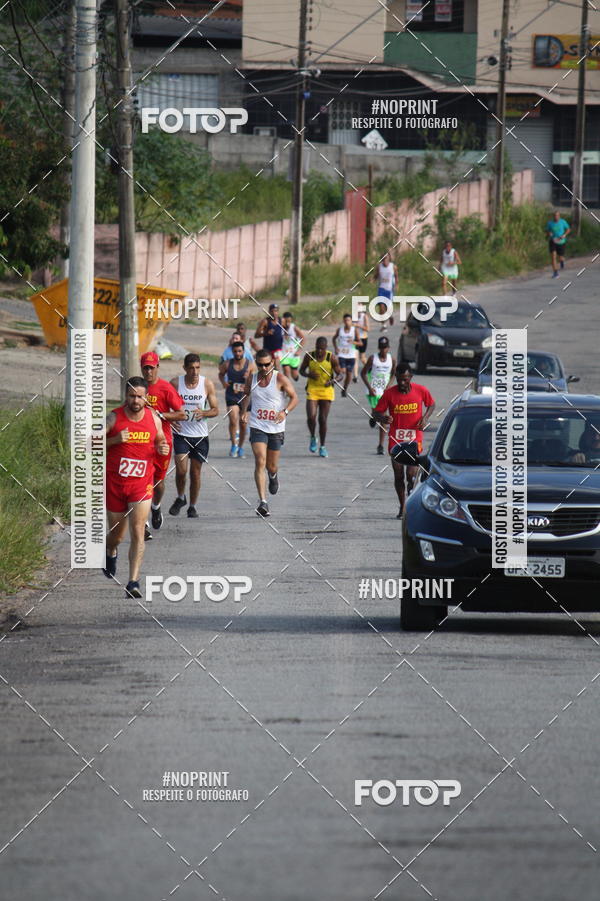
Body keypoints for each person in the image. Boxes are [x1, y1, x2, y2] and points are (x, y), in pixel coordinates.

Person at [103, 377, 169, 598]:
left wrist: (161, 447)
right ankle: (110, 551)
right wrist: (114, 440)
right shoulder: (113, 418)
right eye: (132, 396)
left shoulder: (153, 419)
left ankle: (133, 581)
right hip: (115, 485)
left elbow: (160, 440)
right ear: (126, 396)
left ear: (146, 397)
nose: (136, 400)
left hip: (141, 484)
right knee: (117, 536)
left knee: (138, 530)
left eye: (140, 396)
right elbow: (88, 443)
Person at [239, 349, 298, 517]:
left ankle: (273, 475)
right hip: (258, 425)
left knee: (271, 465)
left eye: (267, 364)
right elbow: (246, 395)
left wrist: (284, 412)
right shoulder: (252, 378)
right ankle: (263, 502)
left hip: (276, 428)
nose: (264, 368)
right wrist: (245, 411)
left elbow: (295, 398)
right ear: (256, 364)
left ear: (272, 362)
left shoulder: (280, 378)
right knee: (260, 460)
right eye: (260, 365)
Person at [373, 362, 435, 518]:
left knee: (411, 475)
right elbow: (375, 413)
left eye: (405, 379)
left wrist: (425, 418)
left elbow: (431, 404)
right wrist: (383, 417)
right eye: (399, 379)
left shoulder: (421, 391)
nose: (401, 383)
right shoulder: (389, 393)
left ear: (410, 378)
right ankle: (403, 507)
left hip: (414, 438)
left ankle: (412, 499)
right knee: (398, 474)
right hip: (396, 439)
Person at [140, 351, 186, 537]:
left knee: (158, 482)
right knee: (142, 481)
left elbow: (181, 414)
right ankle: (143, 524)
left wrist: (160, 415)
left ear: (158, 367)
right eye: (146, 368)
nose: (149, 371)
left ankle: (156, 507)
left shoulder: (165, 388)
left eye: (152, 367)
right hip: (141, 441)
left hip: (163, 442)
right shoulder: (136, 388)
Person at [168, 354, 219, 519]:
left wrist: (204, 413)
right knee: (181, 471)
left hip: (200, 436)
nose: (195, 371)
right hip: (181, 434)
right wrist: (169, 420)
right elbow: (164, 405)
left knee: (195, 473)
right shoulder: (176, 383)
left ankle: (192, 506)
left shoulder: (207, 384)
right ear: (185, 368)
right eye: (191, 368)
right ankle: (181, 497)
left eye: (197, 367)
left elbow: (215, 410)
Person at [299, 337, 341, 457]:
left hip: (326, 390)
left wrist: (333, 381)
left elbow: (340, 374)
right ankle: (313, 437)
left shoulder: (331, 358)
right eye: (317, 348)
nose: (319, 351)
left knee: (322, 419)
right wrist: (308, 374)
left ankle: (322, 446)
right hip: (312, 389)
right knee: (311, 417)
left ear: (326, 348)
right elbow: (301, 371)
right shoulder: (309, 356)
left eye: (322, 349)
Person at [218, 340, 256, 457]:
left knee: (243, 423)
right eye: (235, 351)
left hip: (245, 397)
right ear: (232, 352)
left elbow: (256, 380)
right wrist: (224, 384)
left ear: (244, 351)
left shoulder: (250, 365)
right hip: (232, 396)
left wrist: (248, 377)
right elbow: (221, 374)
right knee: (233, 419)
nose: (238, 354)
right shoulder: (227, 364)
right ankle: (234, 445)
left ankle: (240, 447)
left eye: (240, 351)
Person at [361, 336, 396, 455]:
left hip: (384, 391)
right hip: (373, 391)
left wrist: (389, 386)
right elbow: (363, 373)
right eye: (381, 348)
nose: (383, 350)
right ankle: (373, 416)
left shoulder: (392, 360)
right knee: (377, 414)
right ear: (378, 348)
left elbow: (393, 374)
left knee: (384, 418)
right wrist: (370, 388)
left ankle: (380, 445)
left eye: (385, 348)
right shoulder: (372, 359)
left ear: (388, 348)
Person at [333, 313, 360, 396]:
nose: (347, 322)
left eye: (348, 320)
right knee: (343, 371)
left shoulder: (354, 330)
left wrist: (353, 342)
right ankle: (332, 382)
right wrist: (336, 348)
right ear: (343, 321)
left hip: (351, 356)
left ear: (351, 321)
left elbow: (360, 343)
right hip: (342, 355)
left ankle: (344, 389)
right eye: (345, 320)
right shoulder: (340, 330)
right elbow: (334, 339)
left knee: (349, 375)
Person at [255, 302, 285, 367]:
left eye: (276, 311)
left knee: (277, 367)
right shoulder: (265, 321)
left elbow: (288, 331)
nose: (274, 313)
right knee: (268, 368)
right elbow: (256, 335)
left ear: (278, 312)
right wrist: (266, 333)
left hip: (278, 349)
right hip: (267, 349)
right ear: (269, 312)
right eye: (272, 311)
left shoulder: (282, 320)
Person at [280, 311, 305, 381]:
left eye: (289, 321)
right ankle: (287, 388)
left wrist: (299, 351)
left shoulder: (294, 328)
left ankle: (295, 376)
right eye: (286, 321)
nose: (287, 323)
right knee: (286, 372)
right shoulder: (280, 328)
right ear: (283, 320)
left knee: (294, 376)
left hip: (294, 354)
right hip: (284, 354)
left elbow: (303, 339)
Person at [546, 210, 571, 278]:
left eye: (557, 215)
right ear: (553, 216)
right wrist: (549, 233)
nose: (556, 217)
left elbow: (568, 229)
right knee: (553, 257)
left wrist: (564, 235)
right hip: (553, 241)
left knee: (560, 258)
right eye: (555, 216)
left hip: (561, 242)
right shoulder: (550, 223)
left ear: (559, 216)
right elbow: (547, 230)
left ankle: (562, 261)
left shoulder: (563, 222)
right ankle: (555, 272)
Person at [352, 304, 370, 375]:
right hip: (355, 339)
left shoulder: (364, 316)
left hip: (363, 338)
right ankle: (355, 377)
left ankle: (369, 368)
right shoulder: (353, 317)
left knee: (362, 359)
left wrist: (358, 325)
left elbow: (368, 329)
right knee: (355, 358)